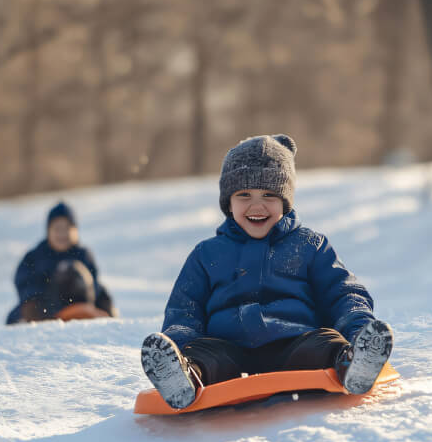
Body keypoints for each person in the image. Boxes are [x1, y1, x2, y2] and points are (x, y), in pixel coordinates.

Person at [141, 134, 394, 409]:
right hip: (227, 347)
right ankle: (185, 377)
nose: (257, 206)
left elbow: (343, 294)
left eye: (269, 195)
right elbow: (184, 310)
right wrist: (181, 345)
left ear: (286, 201)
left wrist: (358, 330)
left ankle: (354, 363)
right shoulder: (206, 254)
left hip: (294, 341)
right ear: (229, 202)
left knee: (324, 343)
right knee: (205, 355)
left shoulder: (309, 245)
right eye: (244, 195)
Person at [5, 201, 117, 323]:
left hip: (81, 303)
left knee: (102, 293)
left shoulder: (82, 254)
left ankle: (104, 318)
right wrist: (34, 298)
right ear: (48, 231)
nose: (62, 234)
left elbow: (93, 281)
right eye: (57, 229)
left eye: (67, 228)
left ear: (76, 231)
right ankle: (34, 321)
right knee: (26, 307)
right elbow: (24, 281)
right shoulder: (36, 256)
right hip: (48, 307)